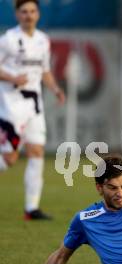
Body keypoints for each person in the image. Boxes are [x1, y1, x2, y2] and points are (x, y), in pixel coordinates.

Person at [0, 0, 65, 220]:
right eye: (24, 11)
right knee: (9, 159)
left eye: (32, 11)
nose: (29, 15)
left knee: (36, 151)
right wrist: (12, 77)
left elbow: (44, 70)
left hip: (34, 107)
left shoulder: (42, 40)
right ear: (17, 14)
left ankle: (31, 208)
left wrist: (56, 89)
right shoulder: (8, 39)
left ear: (38, 14)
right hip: (11, 107)